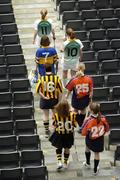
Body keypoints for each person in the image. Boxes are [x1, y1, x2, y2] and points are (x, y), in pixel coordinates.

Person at [81, 102, 109, 175]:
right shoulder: (103, 118)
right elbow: (107, 129)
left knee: (87, 148)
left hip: (90, 139)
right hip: (99, 139)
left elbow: (83, 132)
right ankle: (95, 169)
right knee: (97, 154)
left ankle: (88, 163)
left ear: (91, 111)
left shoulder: (88, 120)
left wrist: (85, 119)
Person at [36, 64, 63, 137]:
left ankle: (46, 130)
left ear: (45, 70)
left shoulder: (41, 79)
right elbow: (60, 92)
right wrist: (59, 102)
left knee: (45, 115)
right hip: (54, 99)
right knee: (55, 115)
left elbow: (37, 90)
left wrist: (44, 96)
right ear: (52, 69)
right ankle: (55, 129)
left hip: (45, 99)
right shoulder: (56, 78)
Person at [49, 99, 77, 170]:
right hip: (68, 135)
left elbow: (55, 125)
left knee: (58, 147)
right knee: (67, 148)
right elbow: (74, 125)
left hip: (59, 134)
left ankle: (59, 161)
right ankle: (65, 162)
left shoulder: (56, 115)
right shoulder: (72, 115)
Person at [65, 62, 93, 131]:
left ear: (77, 69)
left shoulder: (73, 80)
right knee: (83, 111)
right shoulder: (89, 79)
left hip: (76, 100)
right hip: (85, 99)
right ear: (84, 68)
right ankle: (82, 125)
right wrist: (90, 99)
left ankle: (80, 125)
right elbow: (91, 91)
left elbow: (69, 90)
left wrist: (66, 97)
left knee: (75, 111)